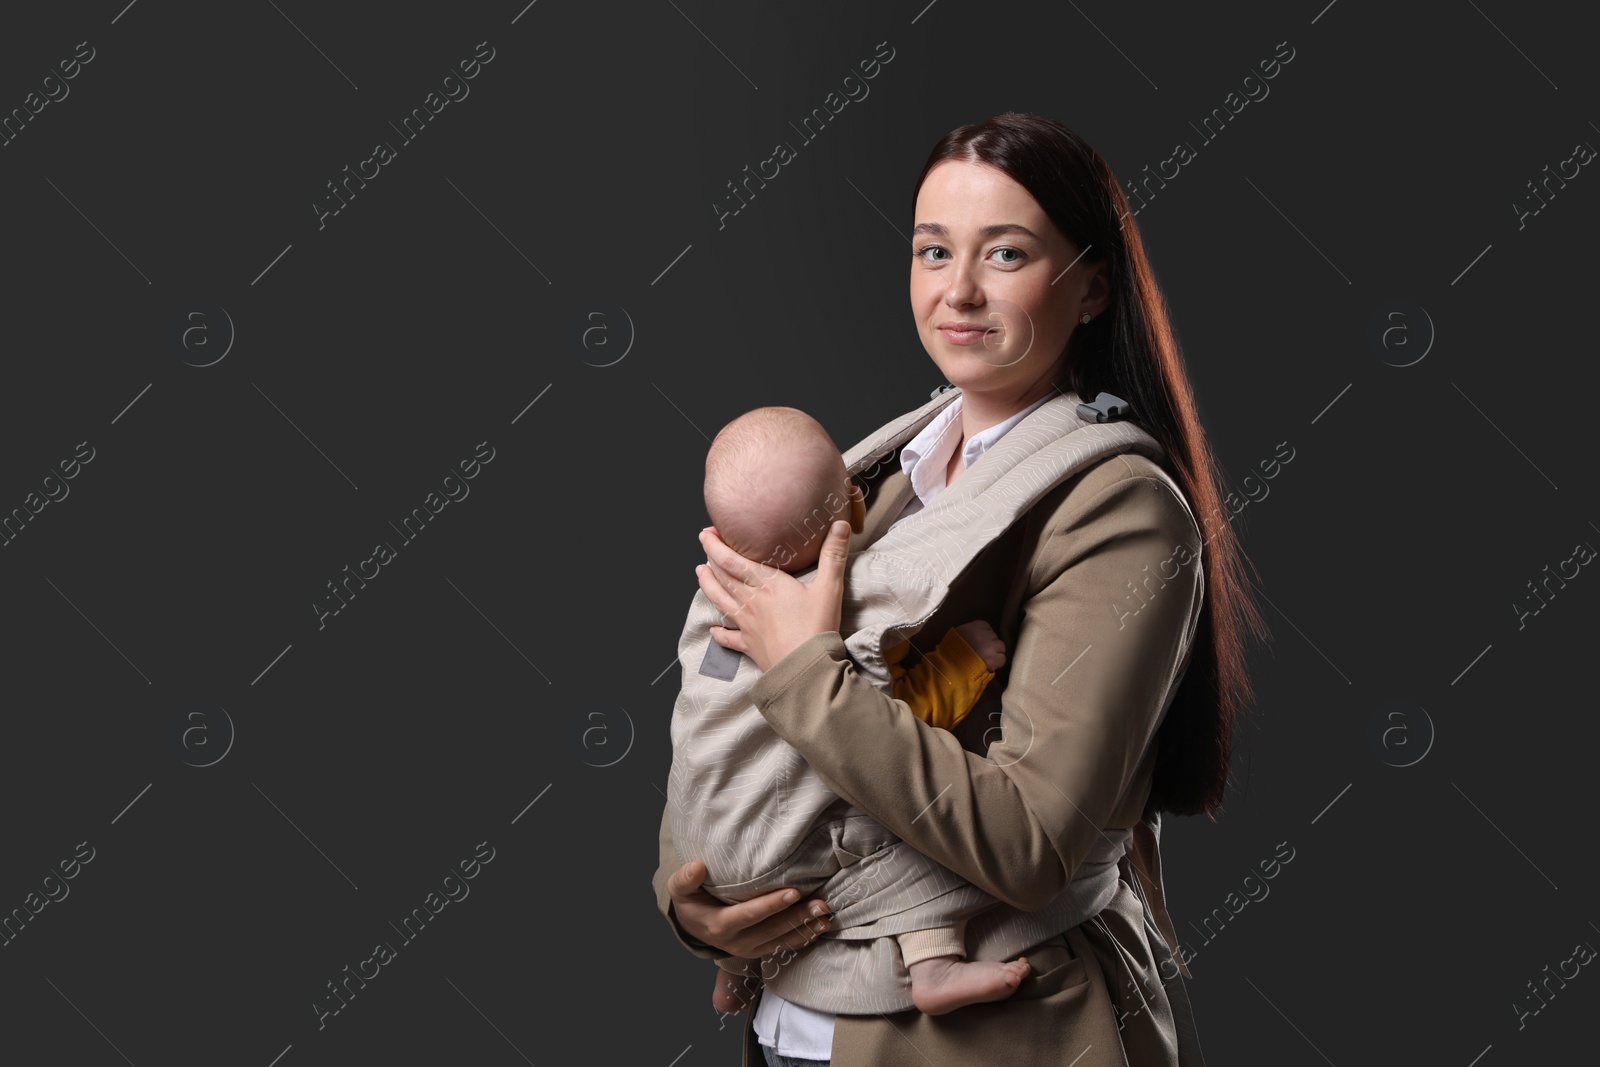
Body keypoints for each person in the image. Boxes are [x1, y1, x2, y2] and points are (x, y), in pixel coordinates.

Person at [652, 112, 1267, 1067]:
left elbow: (1029, 843)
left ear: (1093, 285)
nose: (959, 290)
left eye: (1007, 252)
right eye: (933, 250)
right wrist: (704, 903)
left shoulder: (1119, 509)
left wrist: (805, 670)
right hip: (797, 1029)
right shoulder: (886, 480)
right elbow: (756, 750)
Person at [697, 404, 1031, 1017]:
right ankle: (933, 963)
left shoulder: (710, 611)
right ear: (855, 507)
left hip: (711, 860)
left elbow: (705, 721)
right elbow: (887, 720)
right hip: (796, 859)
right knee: (920, 840)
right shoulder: (858, 602)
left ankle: (733, 970)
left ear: (720, 541)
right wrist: (964, 661)